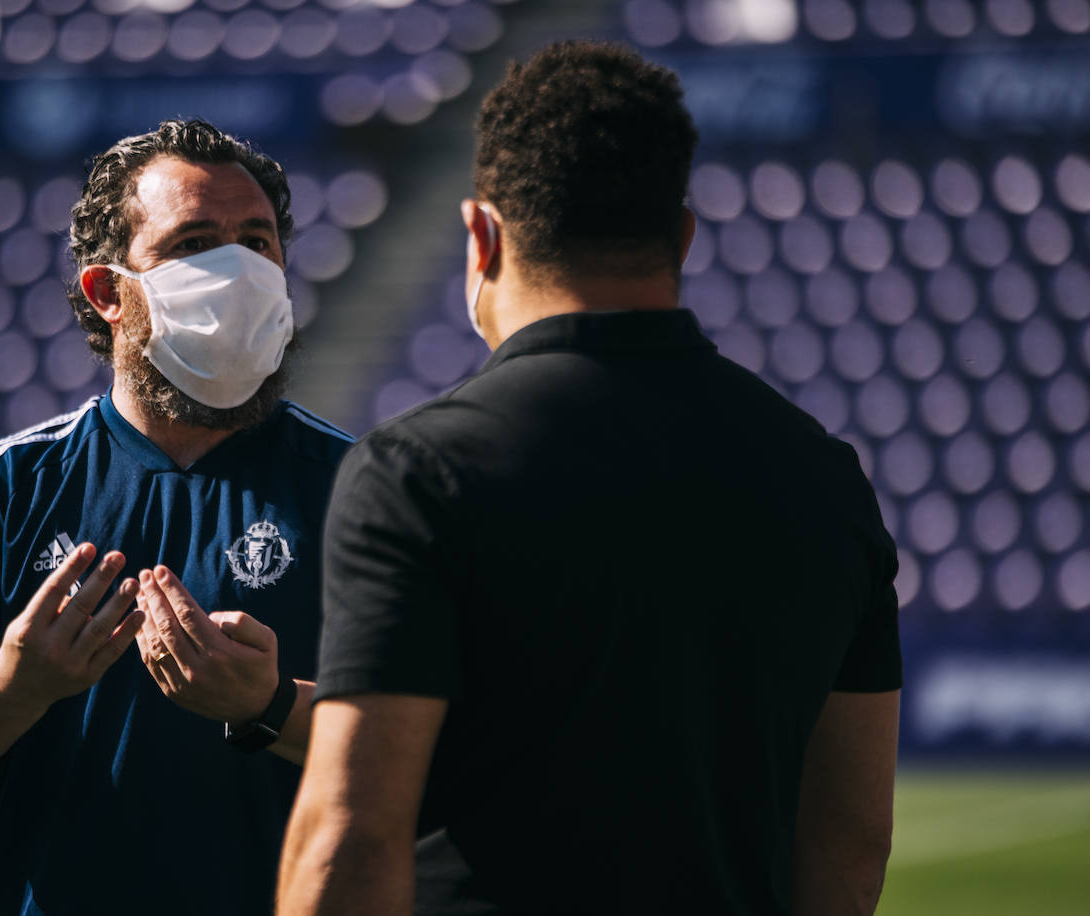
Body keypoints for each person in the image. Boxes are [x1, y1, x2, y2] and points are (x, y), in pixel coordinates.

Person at [278, 41, 901, 916]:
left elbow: (351, 834)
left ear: (482, 236)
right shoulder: (826, 478)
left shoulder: (419, 474)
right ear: (681, 234)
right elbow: (851, 842)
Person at [0, 119, 352, 915]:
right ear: (109, 294)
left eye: (257, 242)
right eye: (194, 243)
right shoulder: (6, 485)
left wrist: (270, 706)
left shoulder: (361, 484)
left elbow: (437, 745)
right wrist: (17, 684)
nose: (236, 270)